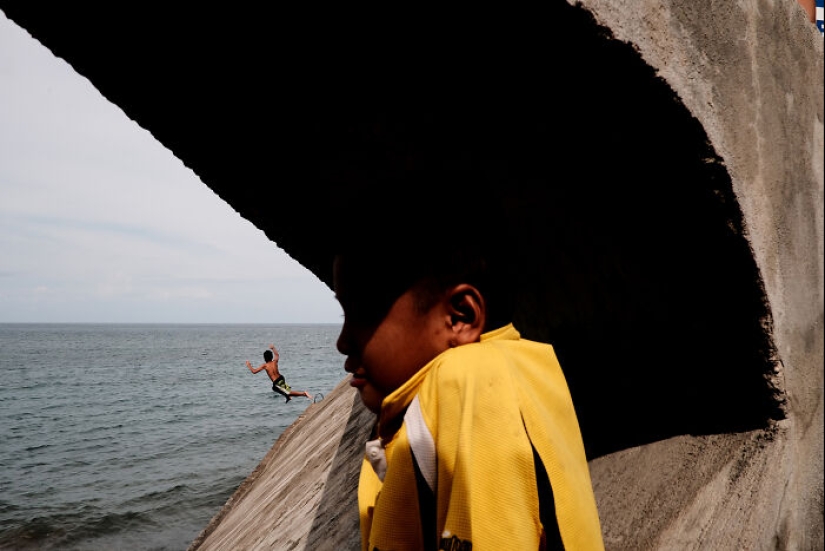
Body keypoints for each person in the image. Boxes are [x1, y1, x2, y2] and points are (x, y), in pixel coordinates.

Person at [332, 196, 606, 551]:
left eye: (363, 313)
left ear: (460, 317)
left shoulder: (473, 383)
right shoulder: (505, 373)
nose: (342, 342)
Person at [246, 344, 312, 403]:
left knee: (278, 389)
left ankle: (304, 394)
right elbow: (277, 355)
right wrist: (273, 348)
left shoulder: (265, 365)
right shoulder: (275, 362)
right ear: (271, 357)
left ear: (264, 358)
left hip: (276, 382)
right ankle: (289, 396)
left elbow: (254, 371)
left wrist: (249, 365)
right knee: (287, 392)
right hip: (281, 378)